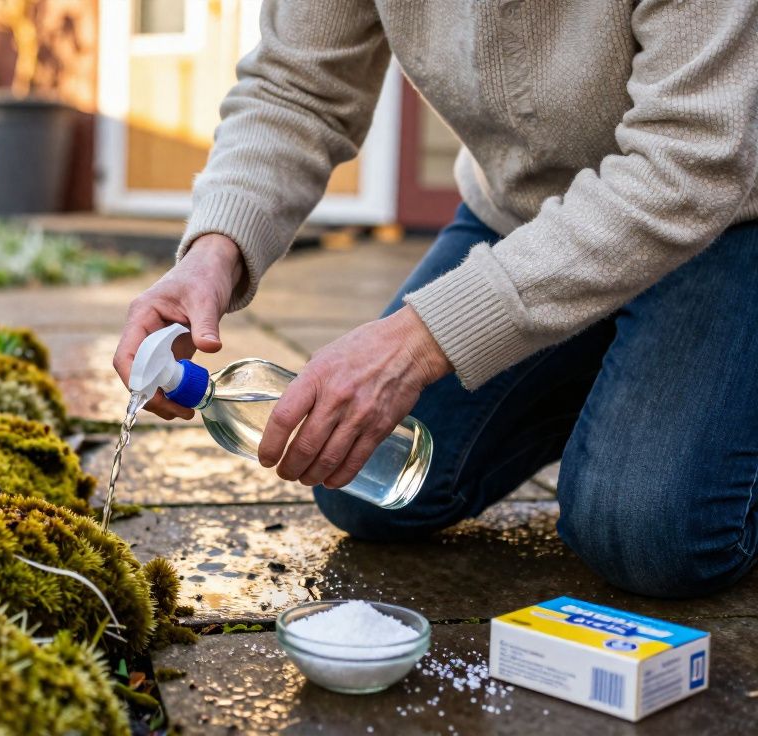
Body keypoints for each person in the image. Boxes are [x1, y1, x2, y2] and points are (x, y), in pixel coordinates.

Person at [113, 1, 758, 599]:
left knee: (647, 533)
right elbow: (295, 88)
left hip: (724, 219)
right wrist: (213, 253)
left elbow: (693, 159)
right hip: (522, 217)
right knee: (364, 487)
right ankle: (610, 360)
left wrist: (422, 341)